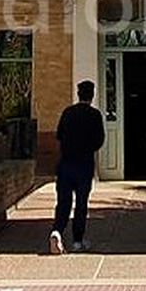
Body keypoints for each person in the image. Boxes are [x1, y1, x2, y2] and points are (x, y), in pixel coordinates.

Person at [50, 79, 105, 255]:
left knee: (63, 202)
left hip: (65, 164)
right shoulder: (95, 115)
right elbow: (99, 141)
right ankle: (77, 241)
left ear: (78, 94)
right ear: (92, 95)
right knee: (81, 204)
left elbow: (59, 135)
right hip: (84, 165)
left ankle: (57, 231)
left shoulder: (68, 113)